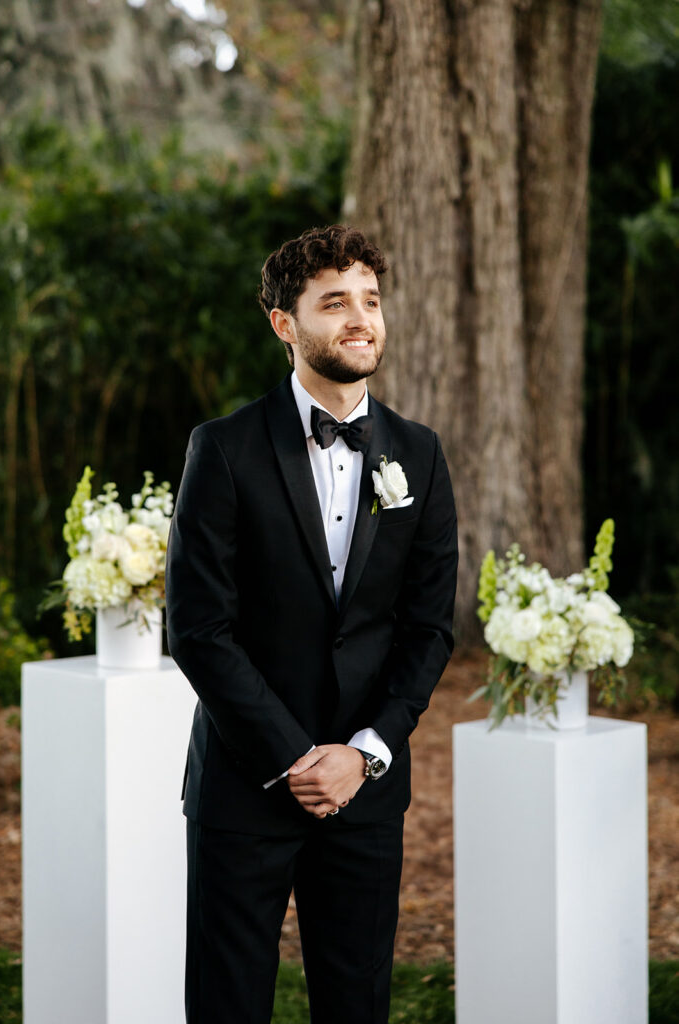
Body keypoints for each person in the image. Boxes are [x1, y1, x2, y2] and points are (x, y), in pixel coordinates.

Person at [165, 224, 458, 1024]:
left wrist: (362, 754)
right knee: (226, 1005)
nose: (360, 318)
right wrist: (297, 759)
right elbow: (197, 629)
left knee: (356, 1004)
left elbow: (428, 628)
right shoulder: (222, 449)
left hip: (366, 793)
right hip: (245, 786)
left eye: (370, 300)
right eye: (334, 303)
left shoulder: (420, 454)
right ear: (284, 324)